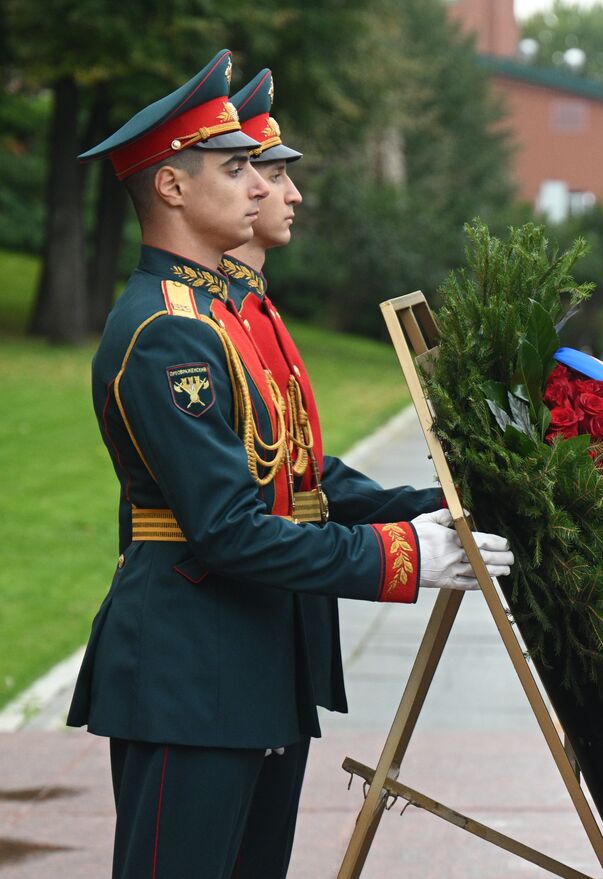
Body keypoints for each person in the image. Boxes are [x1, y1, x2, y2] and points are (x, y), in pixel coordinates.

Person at [67, 51, 514, 879]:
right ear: (171, 188)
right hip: (190, 671)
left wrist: (437, 507)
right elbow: (230, 530)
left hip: (252, 659)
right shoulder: (169, 332)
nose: (265, 186)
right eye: (237, 167)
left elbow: (298, 480)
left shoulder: (217, 314)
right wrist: (405, 556)